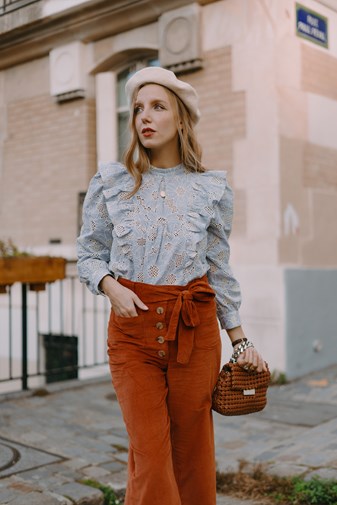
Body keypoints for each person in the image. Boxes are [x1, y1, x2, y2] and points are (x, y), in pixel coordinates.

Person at [77, 66, 267, 505]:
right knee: (150, 453)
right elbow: (88, 253)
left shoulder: (210, 189)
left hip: (195, 331)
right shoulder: (111, 183)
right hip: (132, 335)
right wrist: (110, 285)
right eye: (138, 108)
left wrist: (240, 341)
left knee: (192, 450)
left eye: (158, 107)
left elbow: (218, 270)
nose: (144, 115)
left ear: (180, 119)